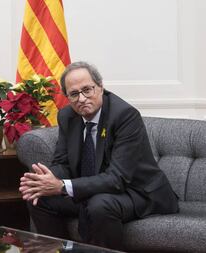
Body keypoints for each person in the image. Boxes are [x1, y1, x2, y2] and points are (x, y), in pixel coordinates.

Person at [19, 61, 179, 250]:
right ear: (67, 97)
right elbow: (63, 163)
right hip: (95, 189)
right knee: (37, 196)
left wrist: (62, 186)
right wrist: (46, 179)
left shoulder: (125, 116)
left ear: (101, 87)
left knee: (99, 205)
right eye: (74, 94)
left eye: (87, 89)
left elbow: (117, 179)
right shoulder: (67, 116)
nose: (82, 98)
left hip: (137, 191)